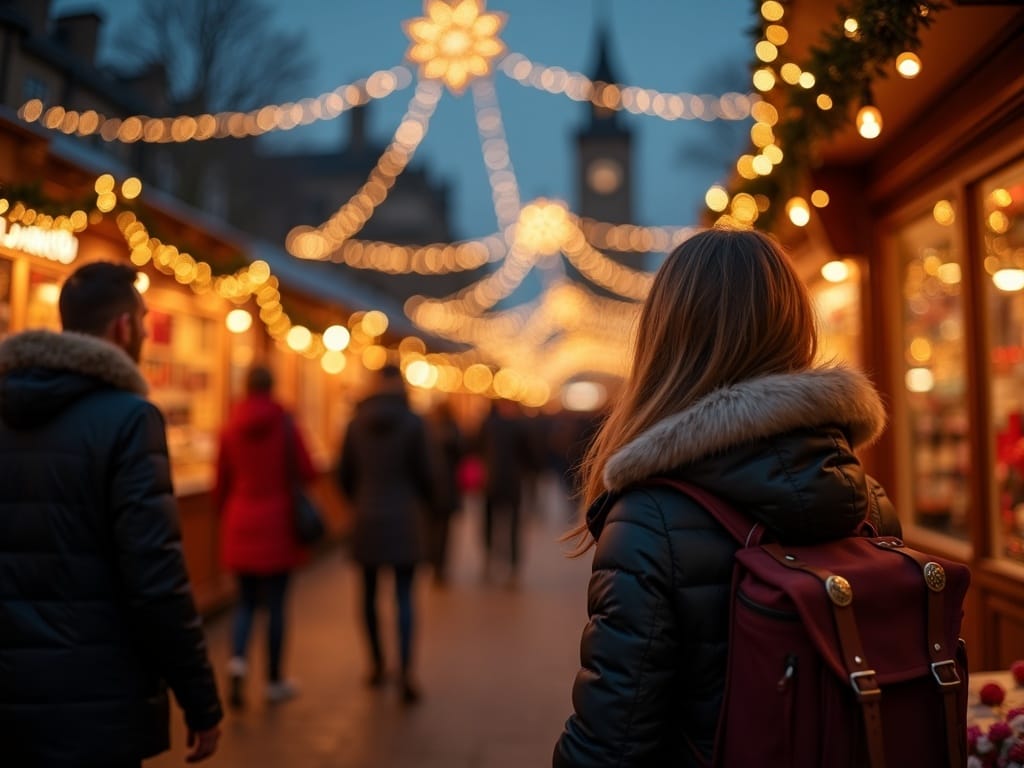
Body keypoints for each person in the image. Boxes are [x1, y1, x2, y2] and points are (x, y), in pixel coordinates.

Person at [552, 228, 901, 767]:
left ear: (666, 339)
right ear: (797, 328)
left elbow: (610, 745)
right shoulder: (868, 501)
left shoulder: (649, 519)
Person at [0, 260, 222, 767]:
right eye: (143, 320)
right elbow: (156, 579)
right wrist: (200, 700)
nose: (145, 331)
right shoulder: (129, 420)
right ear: (124, 327)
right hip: (95, 701)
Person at [216, 364, 316, 709]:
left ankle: (237, 667)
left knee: (244, 604)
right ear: (273, 386)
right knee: (275, 607)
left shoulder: (229, 427)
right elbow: (308, 470)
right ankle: (273, 680)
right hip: (278, 526)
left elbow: (220, 485)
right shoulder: (286, 424)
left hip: (239, 523)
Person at [336, 363, 435, 704]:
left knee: (367, 596)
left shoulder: (354, 424)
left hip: (366, 518)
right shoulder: (414, 423)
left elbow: (343, 474)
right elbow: (427, 474)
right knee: (405, 598)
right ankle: (405, 670)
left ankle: (376, 665)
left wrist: (360, 500)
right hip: (404, 518)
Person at [478, 398, 533, 583]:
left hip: (490, 481)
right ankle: (513, 567)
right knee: (513, 526)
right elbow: (529, 454)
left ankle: (488, 562)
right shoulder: (520, 427)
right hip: (512, 482)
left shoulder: (487, 424)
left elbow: (475, 448)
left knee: (490, 524)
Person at [425, 400, 464, 585]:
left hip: (430, 488)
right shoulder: (453, 430)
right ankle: (440, 566)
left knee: (430, 527)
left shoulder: (426, 429)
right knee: (444, 530)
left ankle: (432, 561)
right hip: (448, 488)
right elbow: (461, 454)